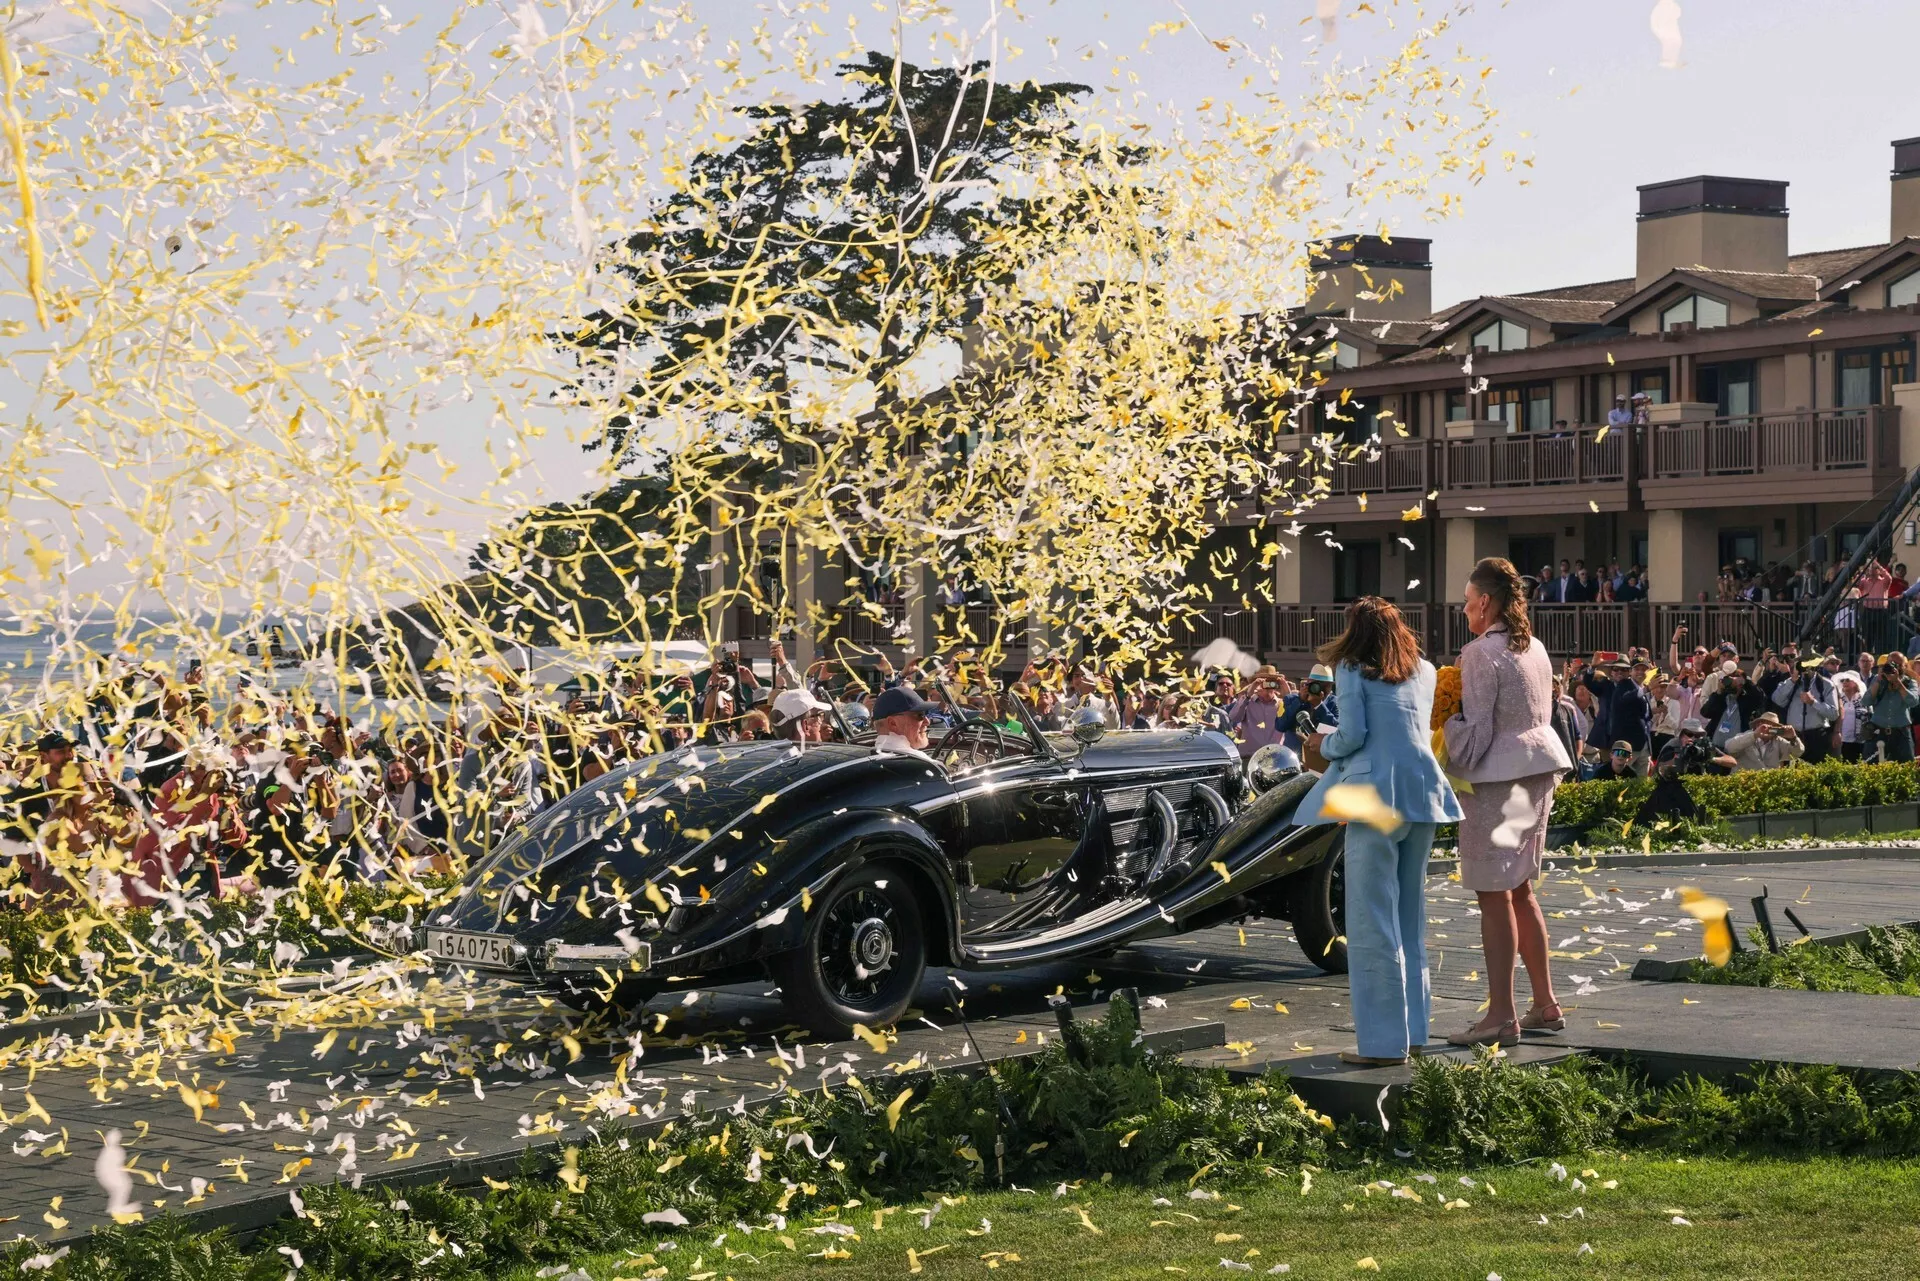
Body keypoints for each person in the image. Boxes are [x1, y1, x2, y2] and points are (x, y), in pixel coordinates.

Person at [1295, 597, 1462, 1067]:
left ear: (1356, 630)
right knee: (1411, 916)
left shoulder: (1350, 668)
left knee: (1370, 921)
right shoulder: (1426, 671)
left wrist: (1318, 741)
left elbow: (1351, 737)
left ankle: (1383, 1045)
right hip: (1423, 794)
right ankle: (1414, 1033)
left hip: (1371, 797)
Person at [1441, 558, 1573, 1048]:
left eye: (1467, 600)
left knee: (1494, 894)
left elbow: (1475, 734)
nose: (1463, 608)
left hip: (1498, 780)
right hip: (1538, 772)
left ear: (1484, 603)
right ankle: (1545, 1002)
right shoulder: (1534, 646)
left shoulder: (1478, 652)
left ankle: (1501, 1014)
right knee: (1521, 890)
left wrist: (1441, 722)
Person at [1638, 718, 1735, 824]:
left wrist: (1710, 758)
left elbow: (1732, 762)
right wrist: (1682, 756)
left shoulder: (1703, 746)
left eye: (1697, 735)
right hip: (1674, 795)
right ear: (1681, 734)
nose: (1693, 738)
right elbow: (1662, 769)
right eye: (1689, 734)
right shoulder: (1672, 746)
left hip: (1699, 792)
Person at [1771, 658, 1836, 764]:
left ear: (1814, 667)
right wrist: (1792, 680)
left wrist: (1813, 702)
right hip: (1793, 735)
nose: (1804, 670)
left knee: (1815, 773)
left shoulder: (1826, 684)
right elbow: (1777, 699)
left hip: (1816, 737)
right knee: (1791, 773)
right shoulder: (1791, 682)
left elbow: (1833, 714)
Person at [1862, 655, 1920, 762]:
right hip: (1878, 730)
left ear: (1905, 666)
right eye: (1891, 663)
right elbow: (1865, 702)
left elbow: (1913, 702)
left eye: (1898, 665)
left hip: (1901, 732)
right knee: (1870, 767)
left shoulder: (1910, 682)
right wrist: (1879, 681)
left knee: (1906, 768)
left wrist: (1897, 682)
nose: (1895, 667)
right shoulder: (1877, 679)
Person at [1699, 662, 1765, 749]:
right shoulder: (1721, 698)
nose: (1733, 682)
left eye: (1736, 679)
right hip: (1714, 748)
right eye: (1730, 679)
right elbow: (1705, 712)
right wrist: (1718, 692)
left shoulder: (1747, 701)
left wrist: (1746, 681)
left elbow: (1761, 697)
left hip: (1738, 750)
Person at [1225, 667, 1285, 759]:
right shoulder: (1247, 702)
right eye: (1264, 682)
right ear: (1256, 685)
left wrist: (1288, 692)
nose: (1268, 685)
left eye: (1272, 682)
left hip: (1274, 759)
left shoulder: (1282, 704)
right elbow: (1234, 717)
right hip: (1249, 758)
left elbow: (1294, 721)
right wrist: (1248, 695)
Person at [871, 686, 938, 758]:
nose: (927, 722)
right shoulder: (920, 764)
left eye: (925, 714)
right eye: (920, 715)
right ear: (893, 724)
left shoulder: (870, 758)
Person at [1725, 711, 1804, 772]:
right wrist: (1755, 735)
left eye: (1773, 727)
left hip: (1767, 786)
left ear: (1777, 730)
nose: (1769, 729)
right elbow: (1729, 747)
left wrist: (1793, 738)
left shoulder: (1778, 741)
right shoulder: (1746, 736)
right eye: (1765, 726)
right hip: (1744, 783)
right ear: (1758, 725)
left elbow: (1797, 753)